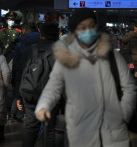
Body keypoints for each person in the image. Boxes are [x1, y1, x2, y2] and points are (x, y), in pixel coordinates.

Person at [35, 8, 136, 147]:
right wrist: (43, 105)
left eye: (91, 26)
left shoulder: (113, 57)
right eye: (82, 27)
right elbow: (53, 87)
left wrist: (124, 113)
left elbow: (129, 87)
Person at [17, 21, 59, 147]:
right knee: (50, 129)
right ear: (57, 35)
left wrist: (18, 96)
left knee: (30, 128)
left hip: (30, 93)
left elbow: (19, 74)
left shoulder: (29, 50)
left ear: (41, 35)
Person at [9, 22, 40, 122]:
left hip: (26, 81)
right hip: (43, 82)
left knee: (31, 118)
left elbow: (17, 68)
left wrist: (16, 90)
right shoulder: (44, 40)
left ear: (24, 31)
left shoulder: (21, 44)